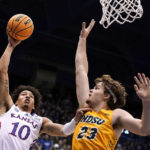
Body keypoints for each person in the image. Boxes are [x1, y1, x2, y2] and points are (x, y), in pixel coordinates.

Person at [0, 35, 91, 150]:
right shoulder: (8, 107)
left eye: (31, 96)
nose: (27, 96)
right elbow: (2, 72)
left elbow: (64, 131)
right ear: (16, 101)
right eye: (23, 94)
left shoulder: (40, 121)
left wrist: (75, 120)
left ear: (34, 105)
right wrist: (10, 46)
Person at [72, 19, 150, 150]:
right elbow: (80, 70)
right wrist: (82, 39)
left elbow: (144, 129)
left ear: (106, 95)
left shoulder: (116, 115)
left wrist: (147, 101)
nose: (90, 90)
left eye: (96, 88)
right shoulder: (85, 109)